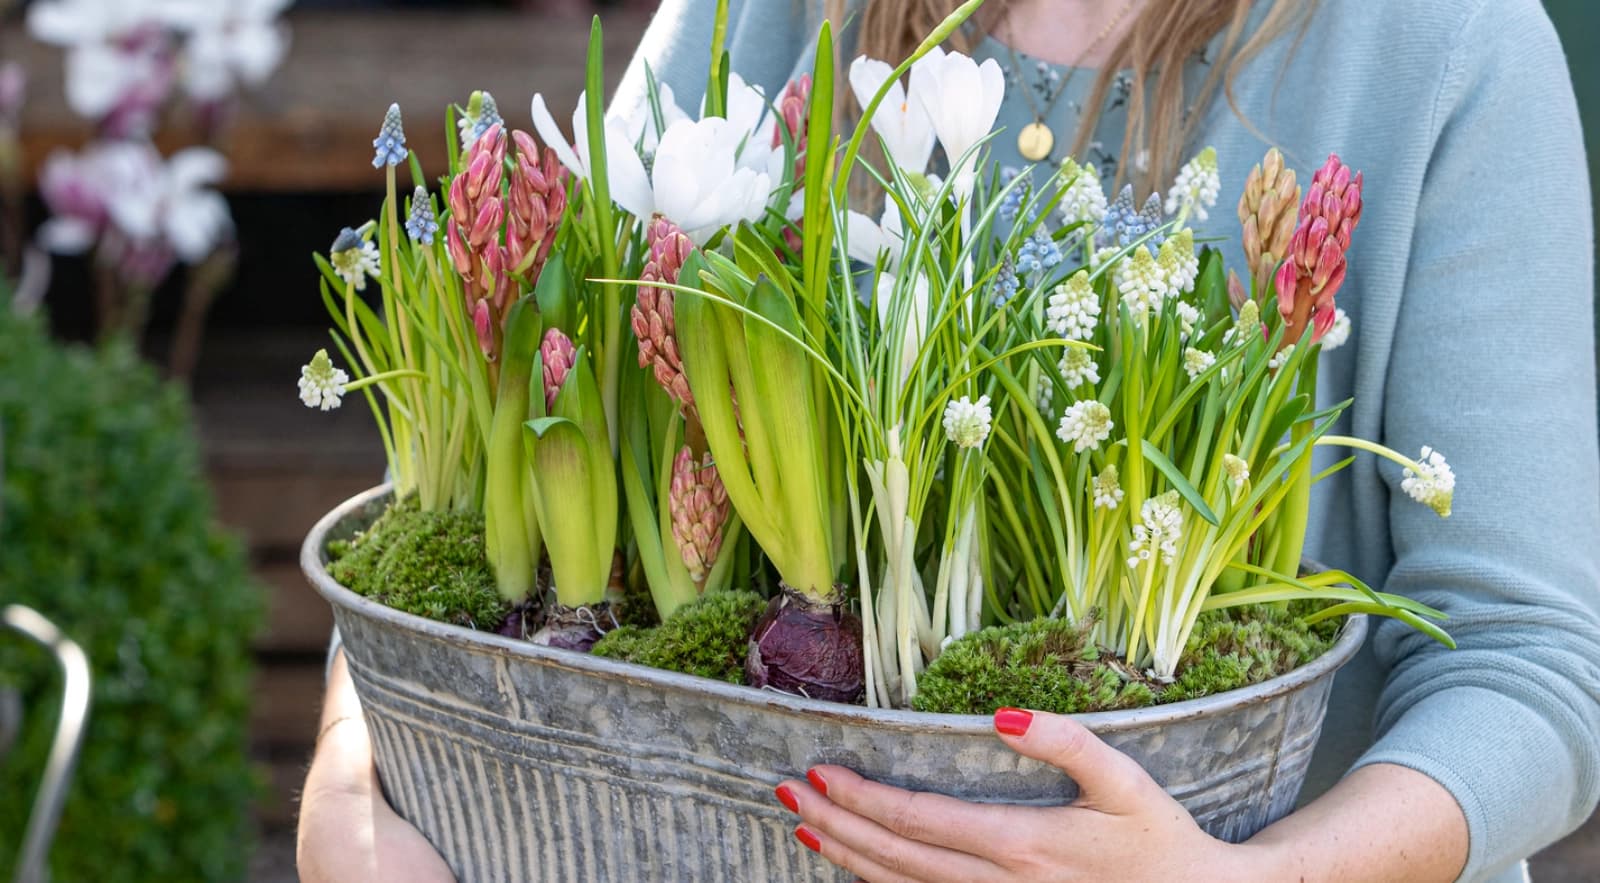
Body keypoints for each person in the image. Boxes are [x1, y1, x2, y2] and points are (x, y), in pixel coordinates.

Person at [297, 1, 1600, 880]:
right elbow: (502, 459)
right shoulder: (774, 17)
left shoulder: (1441, 44)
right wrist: (352, 792)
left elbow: (1536, 668)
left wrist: (1246, 881)